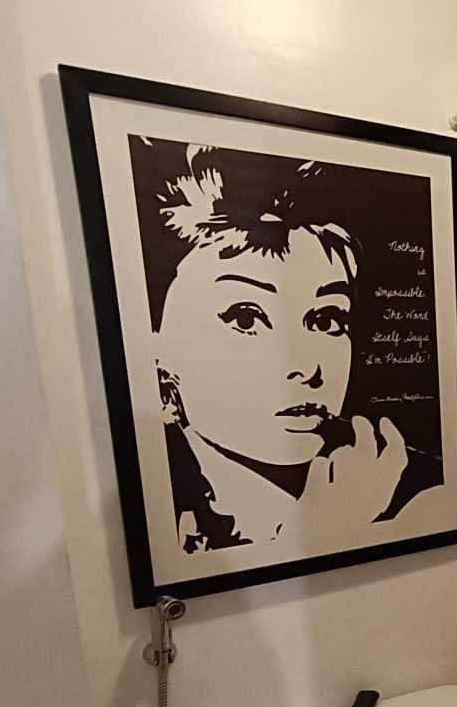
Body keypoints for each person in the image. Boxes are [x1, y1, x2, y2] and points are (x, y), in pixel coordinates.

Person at [130, 139, 408, 552]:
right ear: (155, 348)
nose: (307, 368)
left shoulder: (400, 486)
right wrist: (328, 532)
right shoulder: (155, 511)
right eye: (246, 319)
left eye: (326, 320)